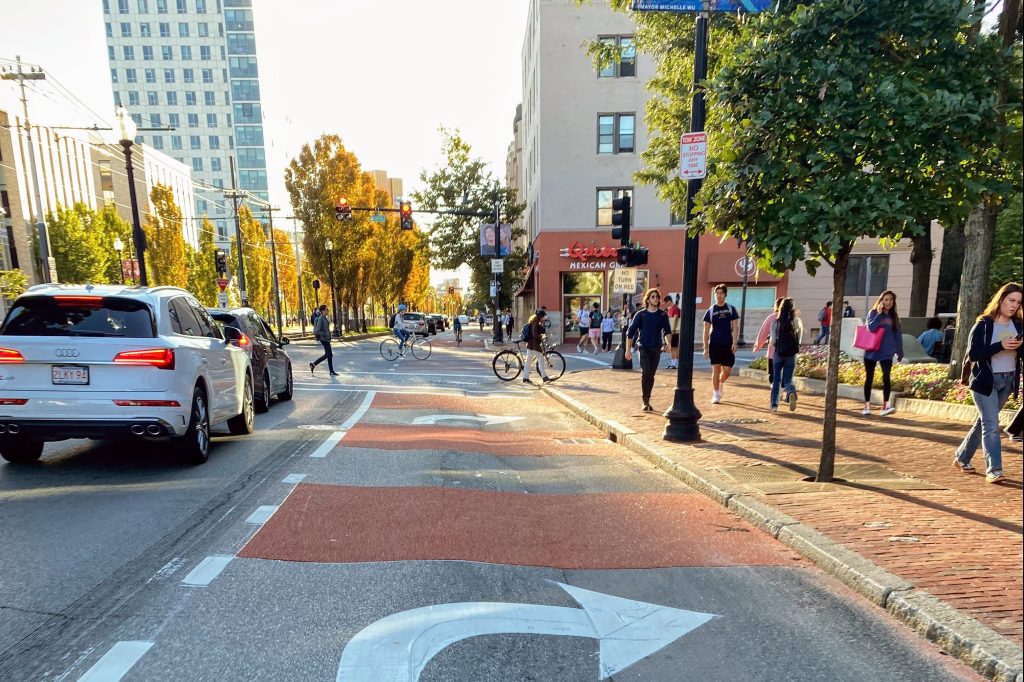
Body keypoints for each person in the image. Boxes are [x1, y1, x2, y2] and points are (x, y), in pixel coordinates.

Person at [954, 283, 1023, 483]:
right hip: (985, 381)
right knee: (992, 425)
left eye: (1018, 303)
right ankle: (994, 470)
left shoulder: (1018, 325)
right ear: (1000, 300)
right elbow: (974, 354)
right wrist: (999, 345)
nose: (1014, 306)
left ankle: (961, 457)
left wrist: (1019, 347)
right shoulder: (983, 324)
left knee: (983, 422)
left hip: (1007, 379)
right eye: (1011, 300)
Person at [626, 288, 672, 412]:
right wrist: (628, 350)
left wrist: (668, 344)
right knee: (646, 372)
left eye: (657, 297)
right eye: (653, 297)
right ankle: (644, 400)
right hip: (643, 348)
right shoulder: (641, 314)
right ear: (648, 299)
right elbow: (630, 332)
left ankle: (647, 400)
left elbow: (667, 331)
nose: (655, 299)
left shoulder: (662, 314)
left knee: (651, 375)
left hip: (656, 348)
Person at [862, 290, 904, 416]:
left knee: (886, 378)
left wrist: (900, 351)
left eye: (891, 300)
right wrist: (879, 314)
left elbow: (897, 335)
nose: (888, 302)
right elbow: (870, 328)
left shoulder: (893, 316)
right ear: (881, 301)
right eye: (886, 299)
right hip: (871, 350)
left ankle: (885, 406)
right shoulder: (873, 313)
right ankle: (867, 406)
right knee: (869, 377)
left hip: (887, 352)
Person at [702, 284, 739, 404]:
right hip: (715, 344)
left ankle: (721, 382)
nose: (719, 295)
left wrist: (734, 342)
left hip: (727, 343)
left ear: (725, 295)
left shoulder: (731, 309)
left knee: (727, 371)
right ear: (714, 295)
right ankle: (716, 393)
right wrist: (705, 347)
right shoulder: (711, 310)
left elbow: (735, 326)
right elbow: (706, 330)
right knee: (715, 370)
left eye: (721, 293)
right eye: (717, 293)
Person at [769, 298, 803, 412]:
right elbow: (799, 340)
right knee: (788, 379)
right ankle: (791, 391)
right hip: (791, 354)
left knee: (776, 379)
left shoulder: (776, 322)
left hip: (779, 353)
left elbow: (773, 341)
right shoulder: (796, 321)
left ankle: (774, 405)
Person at [753, 298, 785, 386]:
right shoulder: (791, 317)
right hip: (788, 351)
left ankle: (775, 390)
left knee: (772, 373)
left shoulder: (772, 317)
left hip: (773, 351)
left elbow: (763, 332)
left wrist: (758, 346)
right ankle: (781, 391)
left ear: (776, 306)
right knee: (784, 374)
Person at [522, 309, 552, 385]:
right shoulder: (535, 323)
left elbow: (541, 330)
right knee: (541, 361)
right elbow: (535, 334)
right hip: (535, 346)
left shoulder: (533, 322)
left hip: (530, 345)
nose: (543, 318)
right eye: (542, 316)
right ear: (539, 316)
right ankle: (544, 377)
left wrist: (542, 323)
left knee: (528, 362)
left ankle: (525, 377)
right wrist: (541, 337)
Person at [309, 305, 338, 376]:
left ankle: (313, 364)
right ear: (322, 311)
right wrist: (325, 334)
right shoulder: (321, 319)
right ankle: (331, 371)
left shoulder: (325, 318)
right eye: (326, 309)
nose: (328, 310)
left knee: (328, 355)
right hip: (324, 339)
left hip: (326, 339)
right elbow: (316, 331)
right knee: (329, 354)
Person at [666, 295, 681, 369]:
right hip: (670, 330)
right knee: (671, 347)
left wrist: (673, 329)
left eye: (666, 302)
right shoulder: (669, 308)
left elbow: (675, 319)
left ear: (669, 301)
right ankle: (672, 363)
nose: (666, 304)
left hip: (674, 331)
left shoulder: (675, 308)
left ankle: (674, 364)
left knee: (674, 347)